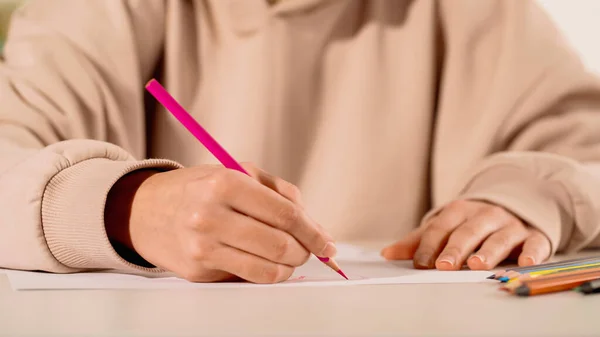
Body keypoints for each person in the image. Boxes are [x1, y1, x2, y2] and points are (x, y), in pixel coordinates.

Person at [0, 0, 599, 284]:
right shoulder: (94, 10)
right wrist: (125, 206)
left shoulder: (479, 12)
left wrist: (526, 196)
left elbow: (584, 146)